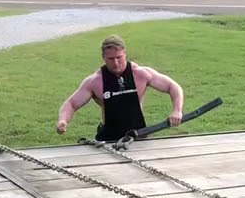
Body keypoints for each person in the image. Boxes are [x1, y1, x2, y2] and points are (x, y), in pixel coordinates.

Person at [56, 35, 184, 142]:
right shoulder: (95, 81)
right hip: (108, 136)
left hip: (137, 135)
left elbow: (173, 86)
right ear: (103, 57)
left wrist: (177, 111)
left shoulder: (141, 74)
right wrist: (63, 120)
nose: (116, 62)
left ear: (125, 54)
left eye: (119, 57)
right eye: (111, 59)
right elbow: (71, 104)